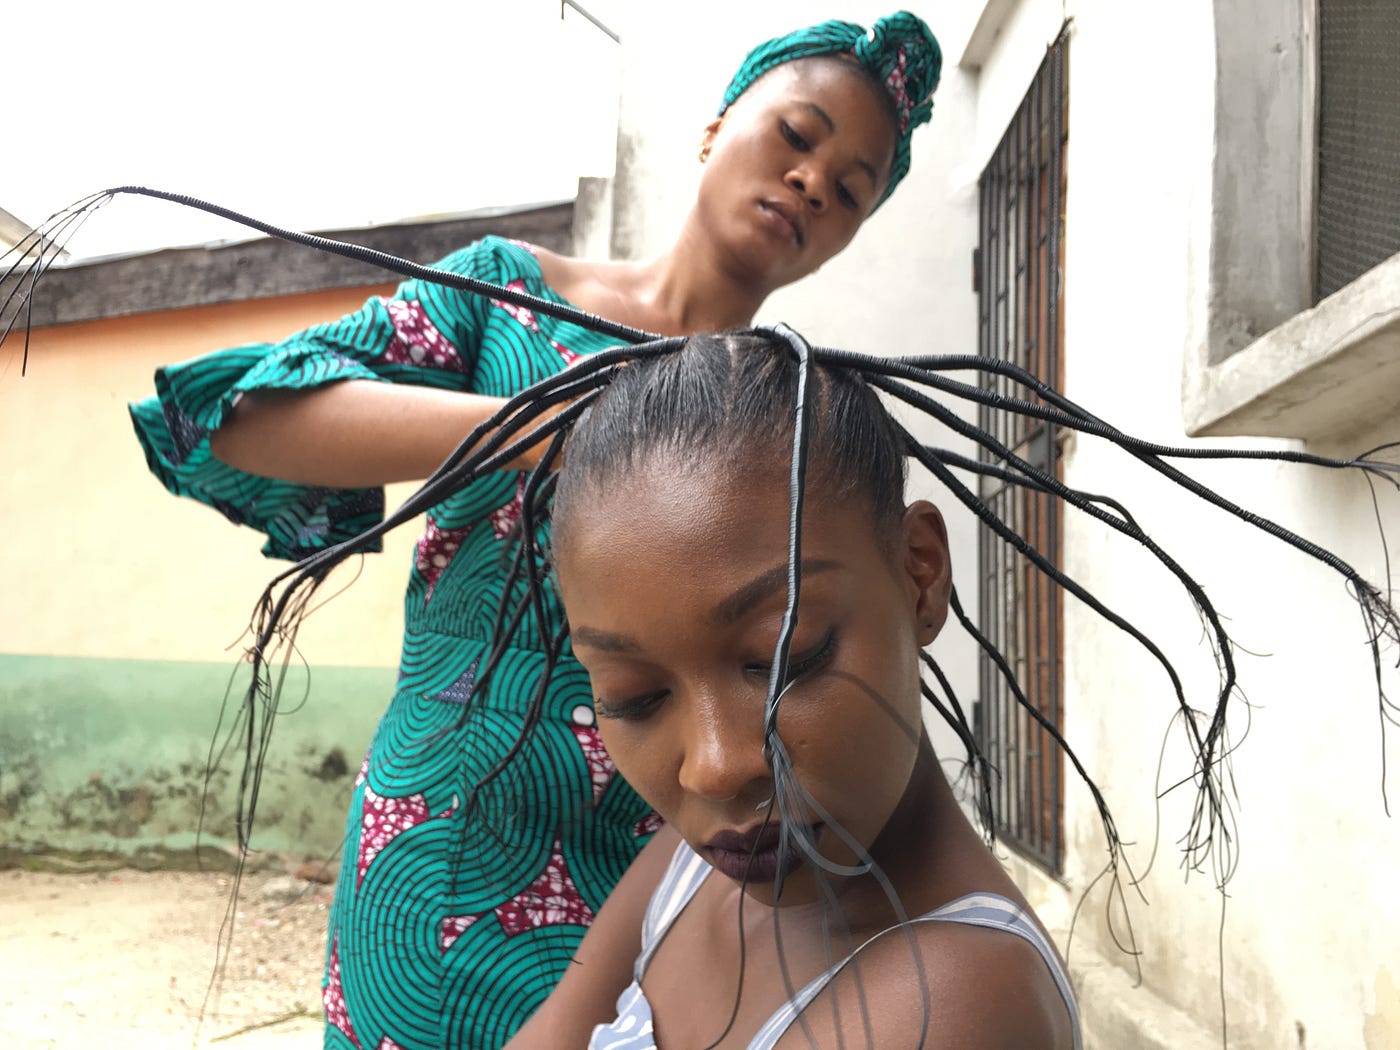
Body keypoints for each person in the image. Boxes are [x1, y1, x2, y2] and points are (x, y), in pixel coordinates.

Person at [126, 12, 944, 1049]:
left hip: (670, 867)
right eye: (796, 134)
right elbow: (239, 416)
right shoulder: (504, 298)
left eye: (851, 187)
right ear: (714, 127)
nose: (813, 183)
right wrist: (539, 427)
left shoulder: (779, 417)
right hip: (444, 843)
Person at [504, 329, 1081, 1049]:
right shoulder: (692, 867)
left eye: (785, 657)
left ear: (920, 574)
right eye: (634, 696)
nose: (715, 766)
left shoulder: (954, 1003)